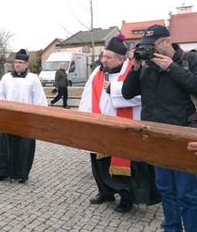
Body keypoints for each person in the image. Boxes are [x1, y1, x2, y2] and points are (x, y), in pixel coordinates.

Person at [122, 25, 197, 231]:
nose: (149, 50)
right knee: (165, 189)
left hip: (184, 137)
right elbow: (127, 93)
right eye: (145, 46)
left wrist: (172, 68)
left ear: (166, 41)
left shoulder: (189, 60)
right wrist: (135, 67)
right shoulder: (147, 66)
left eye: (152, 46)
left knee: (187, 194)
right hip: (156, 136)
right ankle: (171, 228)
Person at [79, 34, 161, 213]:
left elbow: (139, 96)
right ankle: (105, 192)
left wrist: (113, 89)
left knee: (126, 165)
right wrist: (83, 119)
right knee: (99, 162)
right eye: (103, 56)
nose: (104, 60)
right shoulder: (97, 71)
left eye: (108, 57)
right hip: (100, 125)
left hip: (124, 128)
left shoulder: (134, 70)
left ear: (121, 59)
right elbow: (88, 95)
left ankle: (126, 198)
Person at [0, 49, 47, 184]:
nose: (17, 65)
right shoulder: (6, 78)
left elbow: (39, 99)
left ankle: (22, 174)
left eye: (20, 62)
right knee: (5, 144)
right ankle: (3, 171)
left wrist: (37, 117)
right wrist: (4, 108)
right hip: (8, 116)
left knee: (24, 146)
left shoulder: (33, 79)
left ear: (26, 64)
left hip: (26, 118)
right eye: (15, 62)